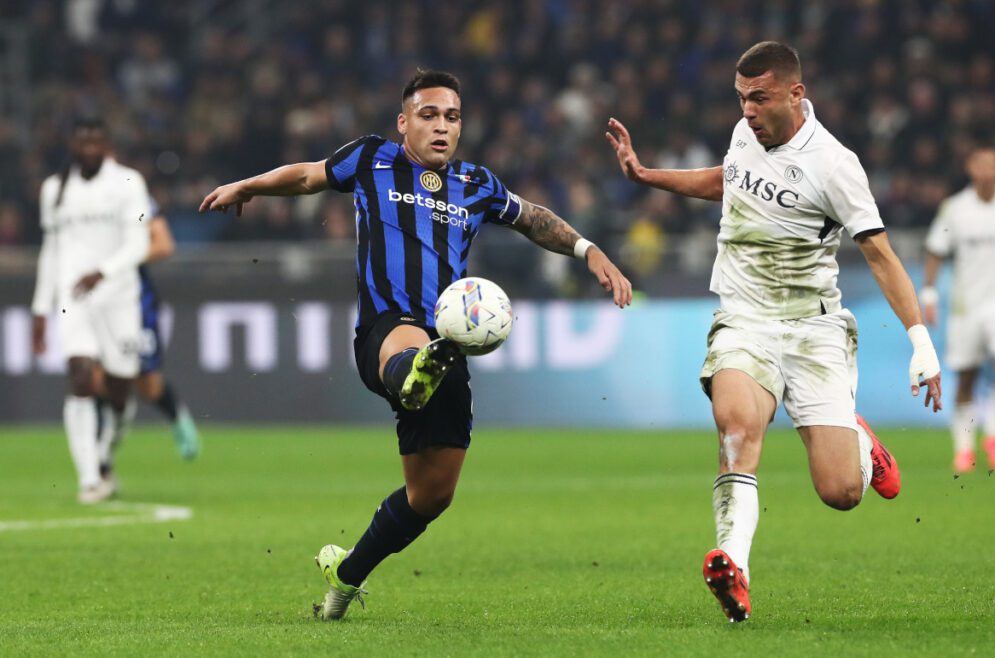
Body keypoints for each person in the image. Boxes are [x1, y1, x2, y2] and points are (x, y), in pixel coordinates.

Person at [200, 69, 632, 621]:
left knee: (431, 496)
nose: (441, 127)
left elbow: (534, 219)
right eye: (428, 115)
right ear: (404, 122)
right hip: (388, 328)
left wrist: (590, 251)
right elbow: (307, 176)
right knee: (409, 347)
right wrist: (250, 185)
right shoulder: (371, 159)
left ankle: (347, 573)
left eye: (451, 117)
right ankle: (413, 370)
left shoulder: (476, 184)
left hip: (447, 342)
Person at [605, 42, 941, 622]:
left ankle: (858, 444)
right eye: (740, 98)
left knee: (841, 493)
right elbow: (726, 181)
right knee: (736, 426)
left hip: (814, 330)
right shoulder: (745, 134)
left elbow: (882, 256)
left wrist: (921, 342)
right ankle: (735, 565)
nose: (747, 110)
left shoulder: (836, 166)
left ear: (796, 93)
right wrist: (646, 174)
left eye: (759, 98)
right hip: (745, 317)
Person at [31, 117, 151, 504]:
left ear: (106, 144)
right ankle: (88, 479)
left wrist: (104, 272)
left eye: (96, 142)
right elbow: (51, 250)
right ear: (73, 144)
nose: (89, 149)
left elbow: (139, 244)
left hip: (118, 298)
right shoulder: (55, 189)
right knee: (81, 377)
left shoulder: (128, 183)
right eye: (83, 142)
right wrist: (40, 307)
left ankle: (104, 458)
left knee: (119, 391)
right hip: (74, 298)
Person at [922, 147, 995, 473]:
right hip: (967, 306)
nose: (985, 170)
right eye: (979, 164)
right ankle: (964, 448)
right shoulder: (955, 209)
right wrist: (929, 295)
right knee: (967, 377)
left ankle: (993, 435)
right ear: (970, 169)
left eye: (991, 164)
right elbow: (936, 250)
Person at [94, 207, 202, 488]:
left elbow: (164, 244)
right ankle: (101, 467)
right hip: (93, 301)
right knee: (96, 380)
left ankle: (177, 416)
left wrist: (115, 263)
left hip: (134, 304)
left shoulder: (132, 194)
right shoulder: (72, 193)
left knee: (147, 385)